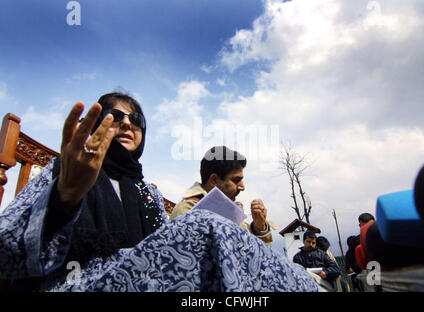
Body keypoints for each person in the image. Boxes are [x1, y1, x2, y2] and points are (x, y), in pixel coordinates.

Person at [0, 94, 319, 292]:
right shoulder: (63, 170)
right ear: (96, 123)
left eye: (135, 118)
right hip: (78, 283)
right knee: (206, 227)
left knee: (285, 268)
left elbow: (168, 259)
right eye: (114, 115)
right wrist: (65, 197)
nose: (126, 123)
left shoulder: (146, 194)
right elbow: (5, 252)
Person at [169, 146, 274, 245]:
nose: (242, 187)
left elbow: (255, 257)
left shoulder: (229, 212)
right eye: (236, 180)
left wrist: (260, 227)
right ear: (214, 180)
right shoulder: (186, 211)